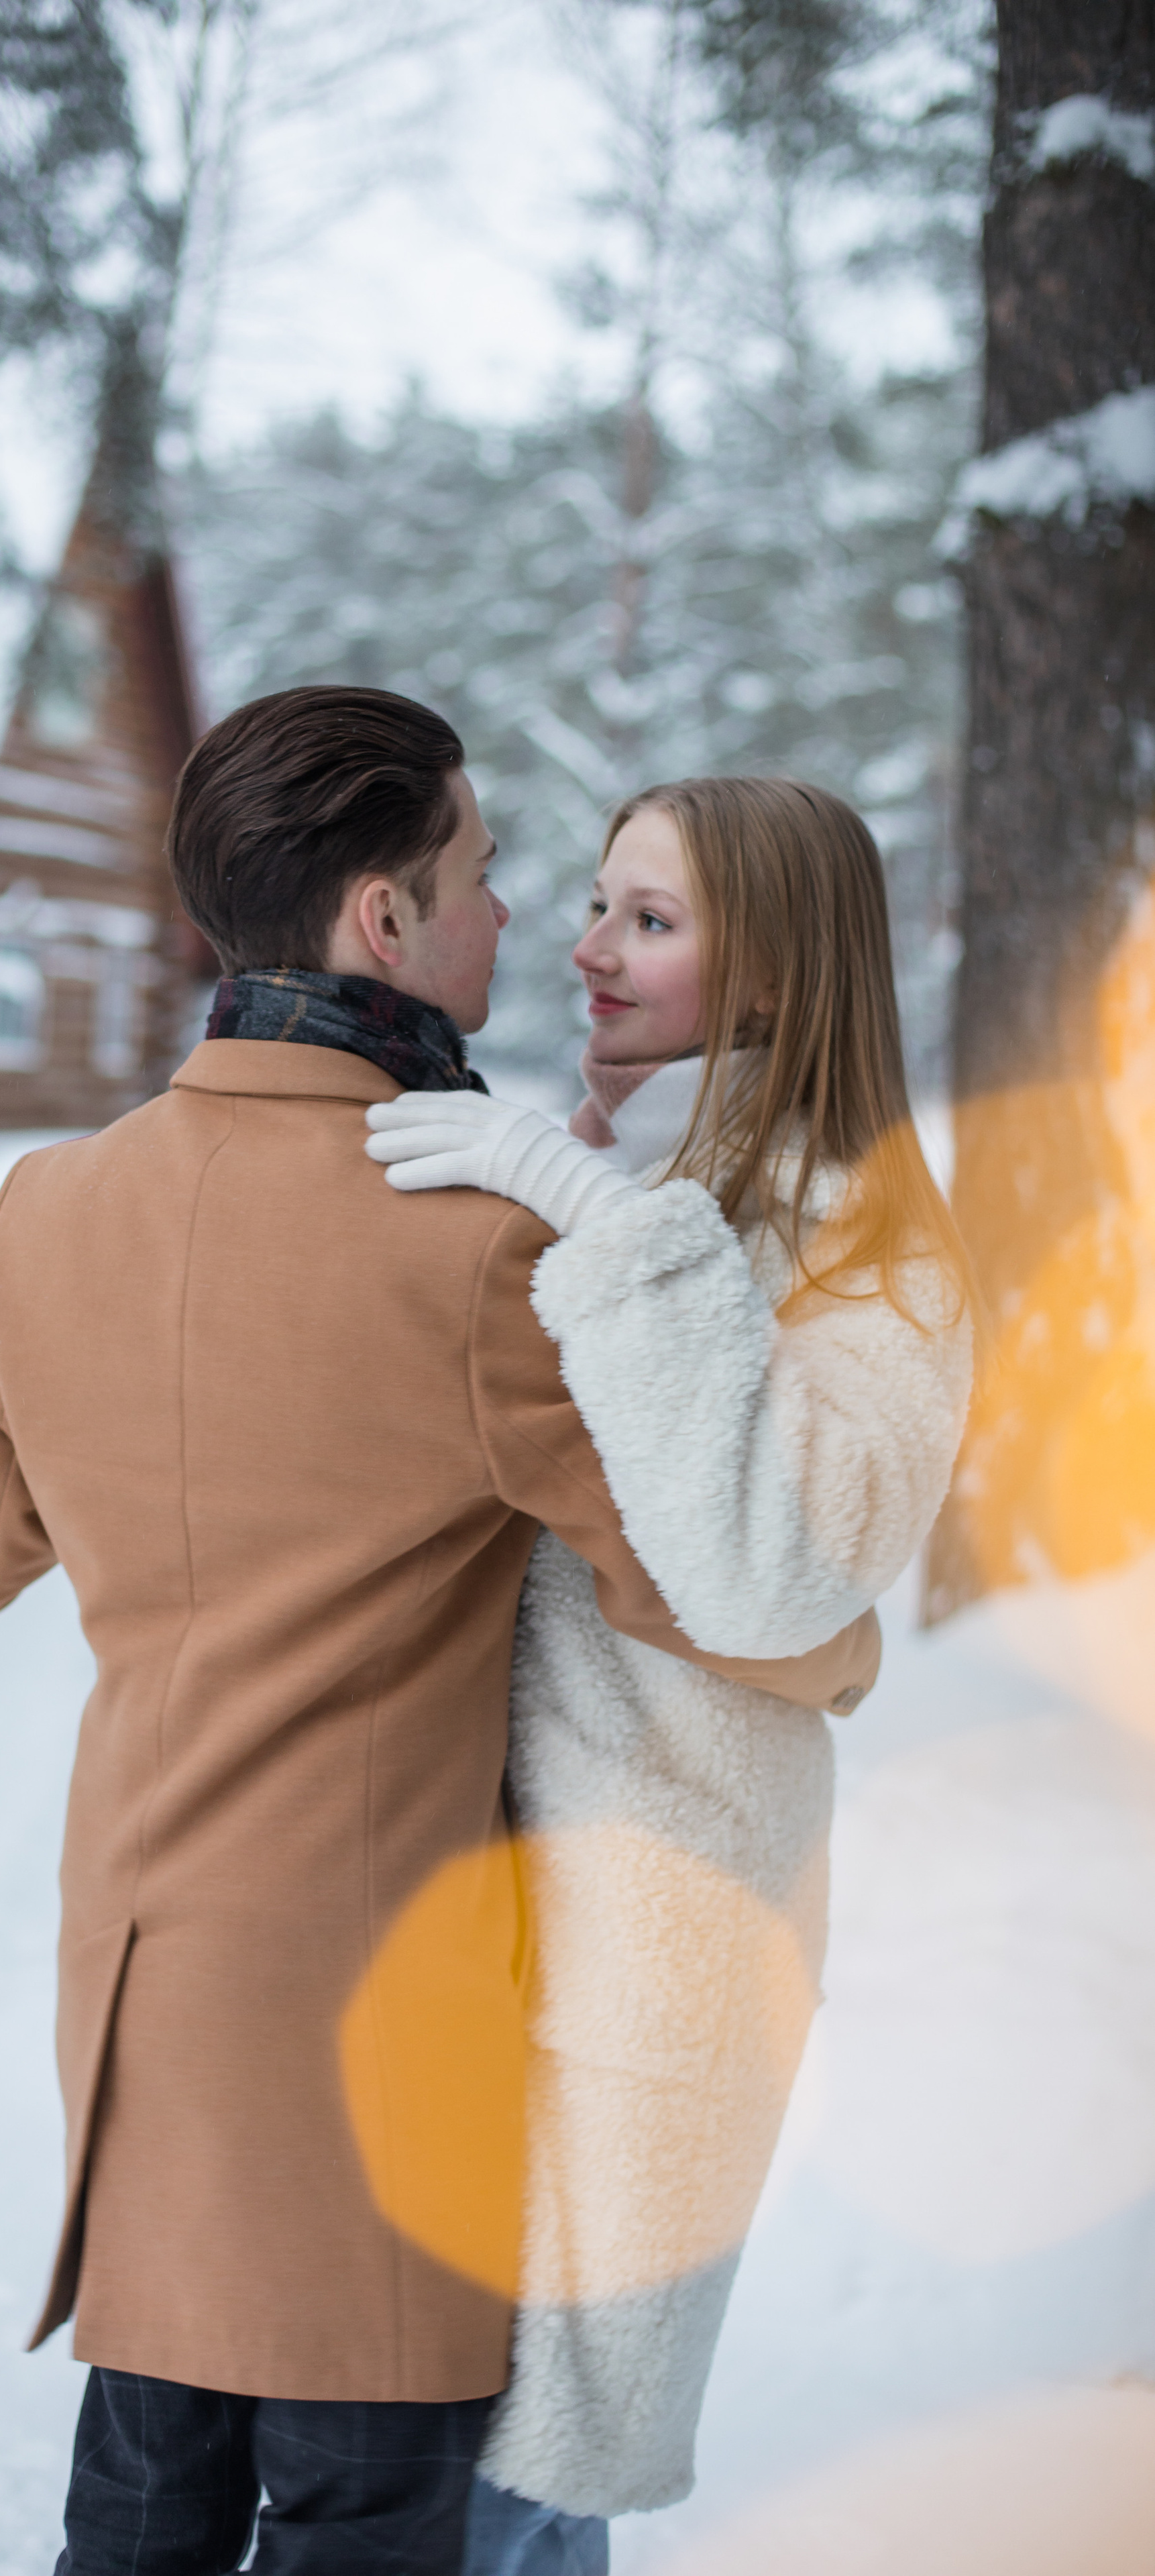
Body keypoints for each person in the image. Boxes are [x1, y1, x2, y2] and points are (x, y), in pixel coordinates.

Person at [0, 697, 881, 2576]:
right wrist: (842, 1651)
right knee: (362, 2533)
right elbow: (719, 1602)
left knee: (139, 2519)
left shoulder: (54, 1211)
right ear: (386, 924)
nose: (521, 924)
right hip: (380, 2050)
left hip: (143, 2017)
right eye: (486, 876)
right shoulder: (478, 1240)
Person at [365, 776, 974, 2569]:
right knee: (403, 2466)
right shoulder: (589, 1163)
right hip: (453, 1900)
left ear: (773, 967)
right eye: (597, 903)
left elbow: (773, 1575)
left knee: (515, 2497)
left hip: (646, 1941)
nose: (585, 945)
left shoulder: (872, 1248)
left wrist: (591, 1215)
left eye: (652, 917)